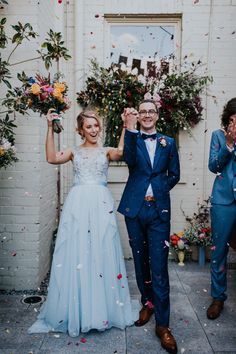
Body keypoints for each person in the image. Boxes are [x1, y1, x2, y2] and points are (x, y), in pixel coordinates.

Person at [28, 109, 138, 337]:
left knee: (101, 250)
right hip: (78, 206)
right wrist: (49, 127)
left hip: (100, 205)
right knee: (78, 252)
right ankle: (79, 310)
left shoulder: (106, 151)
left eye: (96, 125)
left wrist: (126, 126)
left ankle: (101, 309)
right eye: (89, 126)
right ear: (80, 130)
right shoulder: (73, 152)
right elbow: (50, 158)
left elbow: (123, 152)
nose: (94, 129)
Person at [118, 100, 180, 354]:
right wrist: (129, 128)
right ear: (139, 116)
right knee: (140, 260)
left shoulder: (168, 142)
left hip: (158, 211)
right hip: (135, 209)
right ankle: (147, 303)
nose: (146, 115)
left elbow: (174, 174)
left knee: (159, 265)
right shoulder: (133, 139)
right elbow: (129, 159)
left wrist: (160, 191)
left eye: (150, 111)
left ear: (157, 115)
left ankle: (163, 326)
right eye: (142, 111)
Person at [207, 97, 236, 320]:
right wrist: (229, 144)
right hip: (223, 201)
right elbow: (213, 166)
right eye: (233, 120)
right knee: (219, 252)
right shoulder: (218, 136)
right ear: (227, 120)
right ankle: (218, 298)